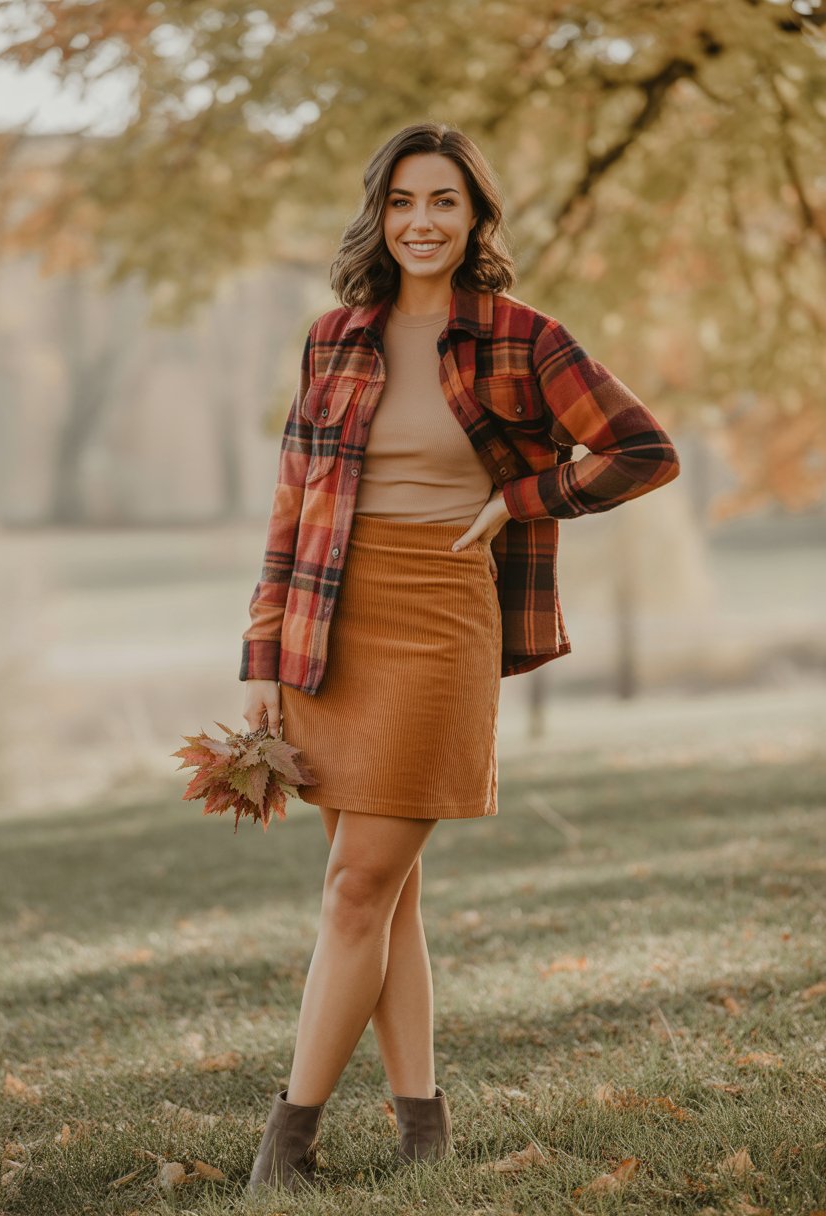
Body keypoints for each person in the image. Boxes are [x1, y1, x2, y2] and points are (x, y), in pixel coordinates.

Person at [239, 121, 680, 1194]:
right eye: (401, 201)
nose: (420, 222)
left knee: (355, 887)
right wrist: (261, 655)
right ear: (377, 214)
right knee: (388, 894)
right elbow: (293, 507)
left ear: (476, 216)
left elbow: (642, 449)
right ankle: (422, 1133)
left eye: (442, 201)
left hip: (441, 614)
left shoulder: (523, 337)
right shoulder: (332, 337)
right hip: (326, 624)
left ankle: (283, 1148)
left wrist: (519, 500)